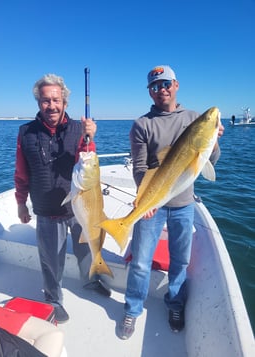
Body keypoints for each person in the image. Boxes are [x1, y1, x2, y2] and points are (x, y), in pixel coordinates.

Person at [117, 65, 224, 339]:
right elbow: (140, 168)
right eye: (155, 86)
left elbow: (208, 163)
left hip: (184, 205)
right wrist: (145, 199)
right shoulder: (142, 124)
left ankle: (175, 304)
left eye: (166, 84)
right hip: (152, 204)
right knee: (140, 262)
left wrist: (213, 143)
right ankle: (132, 309)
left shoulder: (194, 118)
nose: (161, 89)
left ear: (176, 85)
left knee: (180, 261)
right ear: (150, 92)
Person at [14, 74, 111, 324]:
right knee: (51, 261)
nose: (51, 105)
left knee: (86, 250)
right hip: (46, 211)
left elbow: (87, 160)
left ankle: (90, 281)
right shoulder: (26, 133)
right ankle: (53, 300)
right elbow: (21, 173)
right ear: (38, 103)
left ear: (65, 103)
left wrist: (91, 137)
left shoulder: (79, 129)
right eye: (45, 100)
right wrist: (21, 203)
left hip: (78, 207)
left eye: (56, 100)